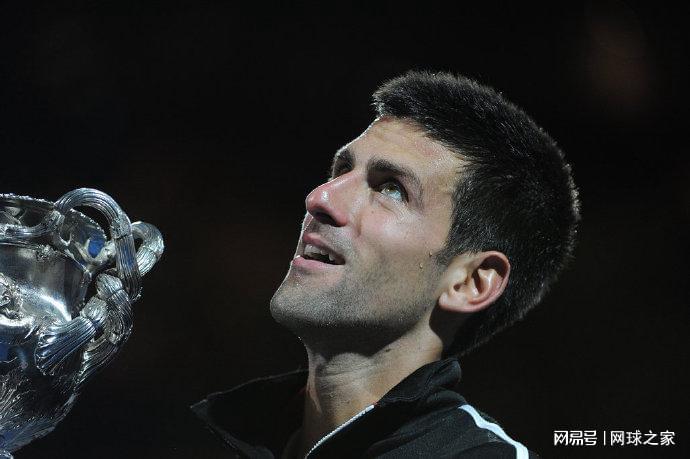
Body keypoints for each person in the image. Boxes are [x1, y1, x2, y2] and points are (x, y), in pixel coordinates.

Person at [192, 71, 580, 458]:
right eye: (341, 170)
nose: (320, 198)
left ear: (470, 282)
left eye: (391, 188)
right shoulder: (202, 434)